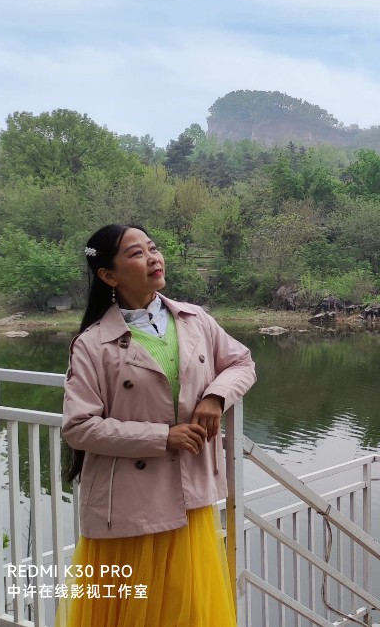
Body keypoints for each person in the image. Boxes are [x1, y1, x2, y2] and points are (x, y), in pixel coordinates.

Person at [58, 224, 255, 627]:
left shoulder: (194, 319)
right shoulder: (92, 344)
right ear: (108, 275)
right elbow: (79, 427)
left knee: (190, 612)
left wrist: (216, 397)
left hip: (189, 498)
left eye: (153, 248)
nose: (153, 258)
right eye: (136, 253)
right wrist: (164, 438)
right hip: (129, 507)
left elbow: (241, 362)